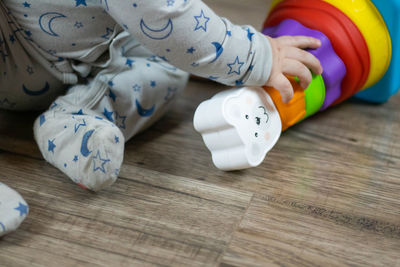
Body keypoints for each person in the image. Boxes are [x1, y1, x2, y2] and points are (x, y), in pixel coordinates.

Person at [0, 0, 321, 235]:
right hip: (12, 57)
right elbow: (167, 15)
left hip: (83, 51)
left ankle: (74, 120)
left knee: (167, 66)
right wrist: (256, 55)